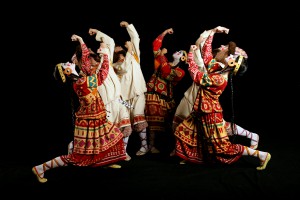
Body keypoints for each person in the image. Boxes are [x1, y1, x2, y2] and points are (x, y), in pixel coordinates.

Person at [32, 35, 126, 183]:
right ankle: (40, 168)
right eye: (66, 64)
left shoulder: (81, 77)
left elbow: (86, 66)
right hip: (89, 123)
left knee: (111, 138)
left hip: (96, 119)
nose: (68, 62)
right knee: (76, 158)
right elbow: (102, 74)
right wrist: (106, 56)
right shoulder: (81, 82)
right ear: (67, 72)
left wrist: (82, 41)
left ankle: (104, 162)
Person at [174, 26, 271, 170]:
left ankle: (261, 155)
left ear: (230, 61)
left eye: (225, 51)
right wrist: (213, 33)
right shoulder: (219, 68)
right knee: (186, 131)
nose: (222, 50)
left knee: (223, 148)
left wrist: (190, 55)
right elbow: (207, 57)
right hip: (202, 110)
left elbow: (197, 76)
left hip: (210, 114)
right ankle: (190, 157)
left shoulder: (220, 78)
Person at [88, 27, 133, 161]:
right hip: (106, 103)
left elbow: (110, 41)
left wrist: (97, 32)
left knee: (126, 125)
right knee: (108, 130)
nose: (102, 45)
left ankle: (123, 152)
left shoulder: (109, 66)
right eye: (102, 46)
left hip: (118, 100)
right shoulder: (95, 72)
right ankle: (107, 154)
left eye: (104, 45)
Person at [145, 28, 186, 154]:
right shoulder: (162, 61)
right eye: (178, 51)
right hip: (153, 95)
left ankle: (176, 148)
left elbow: (166, 72)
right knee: (152, 123)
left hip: (167, 99)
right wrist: (164, 33)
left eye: (180, 53)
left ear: (183, 59)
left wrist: (162, 54)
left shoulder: (180, 72)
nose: (177, 52)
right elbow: (155, 45)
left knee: (170, 124)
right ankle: (150, 146)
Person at [111, 21, 149, 157]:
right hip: (123, 98)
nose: (118, 46)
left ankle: (145, 147)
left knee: (139, 118)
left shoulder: (134, 56)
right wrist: (129, 50)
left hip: (138, 92)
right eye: (115, 47)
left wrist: (128, 26)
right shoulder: (114, 65)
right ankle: (123, 151)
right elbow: (125, 68)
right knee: (125, 122)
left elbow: (136, 39)